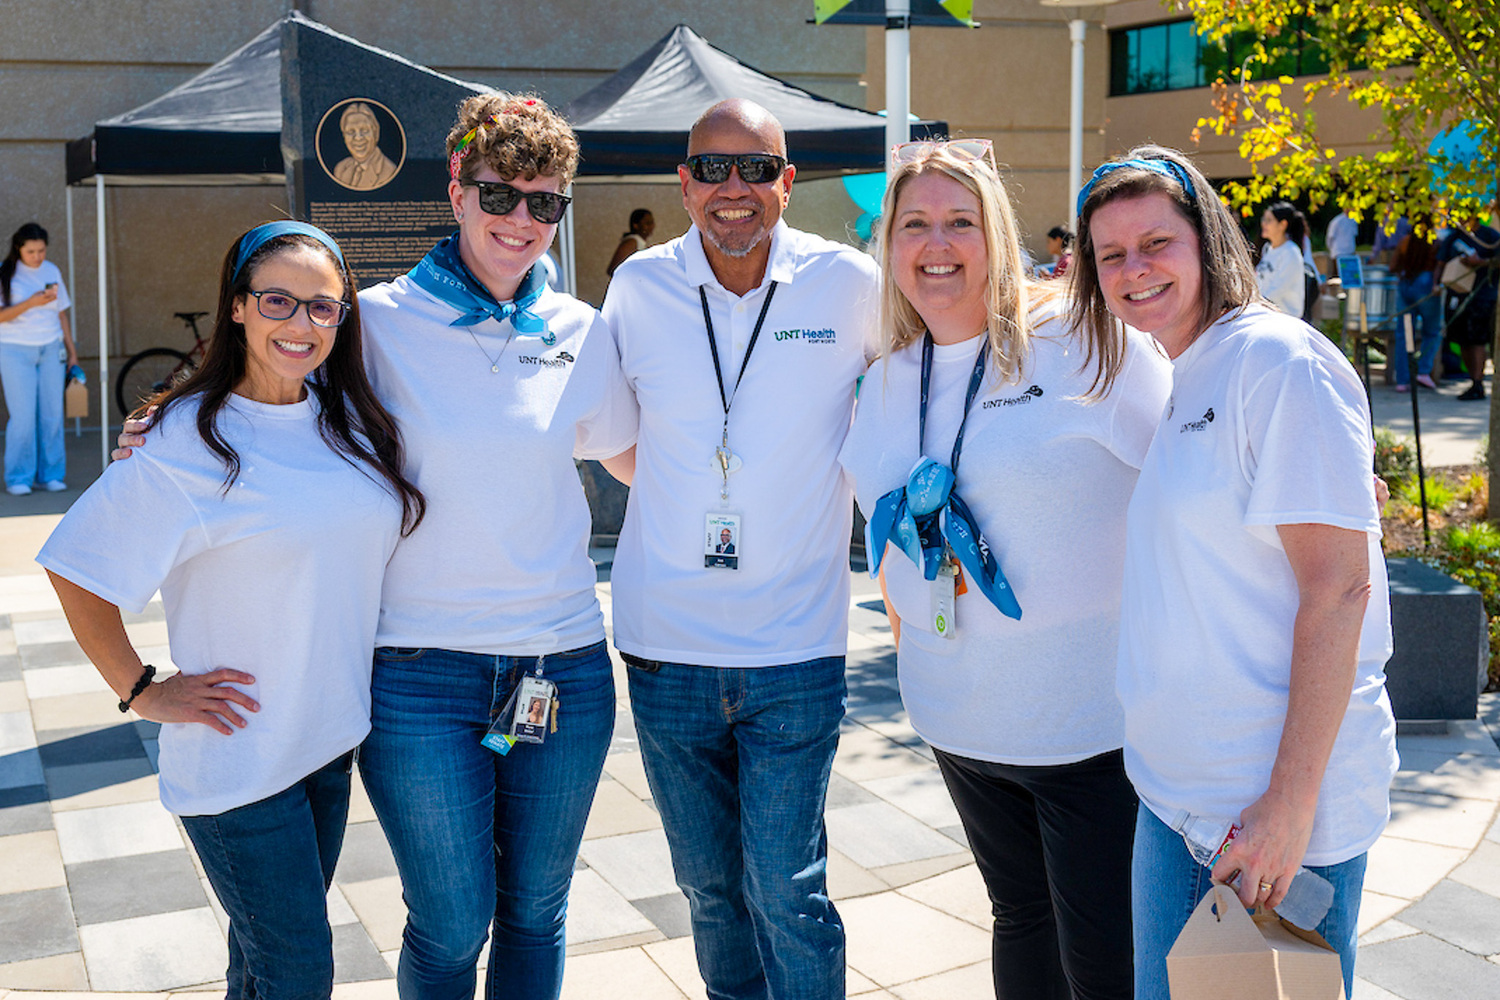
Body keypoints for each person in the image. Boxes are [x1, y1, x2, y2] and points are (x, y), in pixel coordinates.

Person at [117, 94, 639, 1000]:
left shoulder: (581, 331)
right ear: (456, 189)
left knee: (536, 912)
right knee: (449, 921)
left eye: (544, 203)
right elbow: (270, 380)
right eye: (498, 194)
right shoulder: (376, 321)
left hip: (562, 665)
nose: (520, 221)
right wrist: (174, 412)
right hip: (417, 675)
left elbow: (640, 462)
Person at [40, 220, 426, 999]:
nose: (302, 324)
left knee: (258, 968)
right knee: (298, 972)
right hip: (239, 758)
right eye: (279, 301)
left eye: (324, 308)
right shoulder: (185, 440)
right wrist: (142, 688)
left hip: (326, 742)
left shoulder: (342, 418)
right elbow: (76, 569)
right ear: (239, 306)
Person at [839, 139, 1170, 1000]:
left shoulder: (1086, 343)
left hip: (1089, 727)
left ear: (995, 234)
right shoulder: (883, 383)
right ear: (889, 243)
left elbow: (1196, 479)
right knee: (1019, 918)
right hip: (961, 725)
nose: (936, 243)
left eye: (960, 221)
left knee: (1106, 960)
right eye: (914, 223)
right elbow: (893, 545)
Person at [1071, 146, 1398, 999]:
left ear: (1207, 239)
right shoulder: (1186, 369)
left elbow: (1341, 588)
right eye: (1112, 255)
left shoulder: (1277, 363)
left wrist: (1288, 810)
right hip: (1178, 805)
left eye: (1156, 243)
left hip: (1266, 824)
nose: (1135, 269)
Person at [600, 98, 879, 1000]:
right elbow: (614, 436)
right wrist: (698, 492)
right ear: (683, 185)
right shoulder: (638, 288)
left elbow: (937, 368)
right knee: (711, 891)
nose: (734, 189)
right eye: (713, 169)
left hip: (795, 649)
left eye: (756, 169)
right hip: (666, 647)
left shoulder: (849, 286)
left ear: (787, 184)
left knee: (787, 889)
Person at [0, 223, 78, 495]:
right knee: (22, 418)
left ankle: (51, 475)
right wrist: (30, 303)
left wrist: (73, 353)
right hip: (14, 350)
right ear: (18, 249)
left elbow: (61, 313)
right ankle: (19, 478)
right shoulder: (5, 272)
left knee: (52, 415)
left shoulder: (52, 270)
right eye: (31, 251)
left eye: (41, 250)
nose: (37, 256)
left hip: (50, 349)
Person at [1436, 215, 1499, 400]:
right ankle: (1473, 381)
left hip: (1482, 295)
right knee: (1462, 339)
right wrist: (1437, 284)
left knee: (1477, 340)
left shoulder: (1490, 236)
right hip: (1457, 294)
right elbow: (1441, 262)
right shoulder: (1455, 235)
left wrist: (1481, 263)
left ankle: (1478, 382)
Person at [1391, 225, 1441, 391]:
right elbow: (1440, 265)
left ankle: (1402, 380)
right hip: (1426, 286)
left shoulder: (1405, 241)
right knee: (1432, 331)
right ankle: (1424, 371)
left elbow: (1393, 266)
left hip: (1406, 284)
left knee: (1403, 334)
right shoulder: (1435, 242)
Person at [333, 102, 399, 191]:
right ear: (344, 136)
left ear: (375, 133)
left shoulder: (389, 171)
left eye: (364, 130)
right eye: (351, 131)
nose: (358, 138)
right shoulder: (340, 169)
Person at [1256, 201, 1306, 317]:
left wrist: (1255, 304)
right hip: (1265, 314)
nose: (1264, 224)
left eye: (1269, 220)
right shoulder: (1267, 248)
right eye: (1263, 219)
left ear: (1283, 224)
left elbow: (1278, 290)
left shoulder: (1291, 252)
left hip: (1284, 319)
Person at [606, 208, 655, 276]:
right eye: (647, 223)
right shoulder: (632, 242)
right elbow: (613, 269)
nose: (651, 226)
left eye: (652, 222)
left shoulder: (640, 242)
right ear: (636, 225)